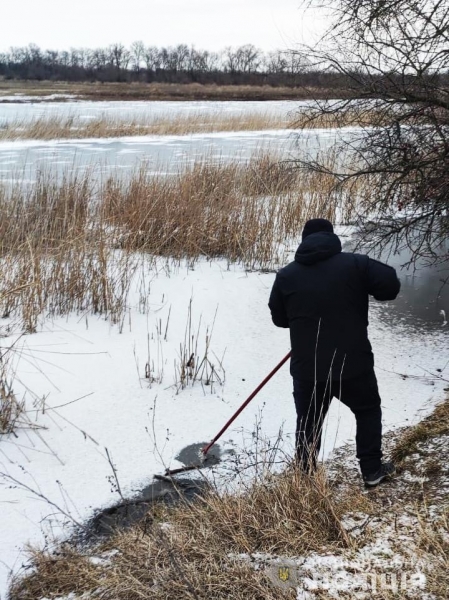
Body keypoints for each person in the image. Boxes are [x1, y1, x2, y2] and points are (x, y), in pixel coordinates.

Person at [268, 218, 400, 487]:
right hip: (353, 364)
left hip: (308, 368)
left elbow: (280, 319)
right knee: (367, 410)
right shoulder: (356, 264)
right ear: (332, 237)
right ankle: (372, 470)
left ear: (304, 240)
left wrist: (304, 316)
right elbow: (390, 285)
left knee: (308, 422)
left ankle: (304, 479)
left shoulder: (286, 275)